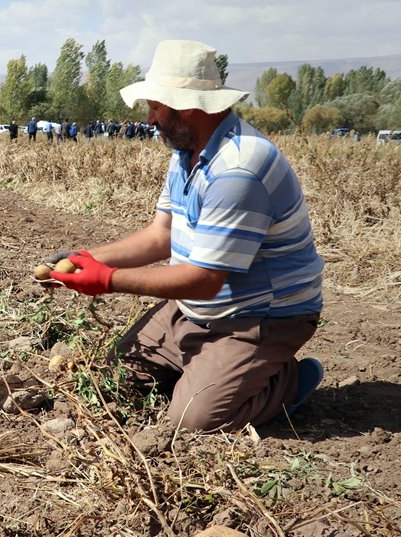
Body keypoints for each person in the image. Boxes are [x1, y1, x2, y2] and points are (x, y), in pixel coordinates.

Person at [43, 39, 324, 432]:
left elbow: (204, 280)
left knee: (196, 421)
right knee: (113, 382)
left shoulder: (238, 169)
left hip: (258, 317)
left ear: (190, 106)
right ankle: (210, 367)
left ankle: (287, 381)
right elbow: (162, 234)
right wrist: (88, 258)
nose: (150, 119)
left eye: (156, 106)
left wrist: (106, 281)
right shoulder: (187, 154)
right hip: (193, 308)